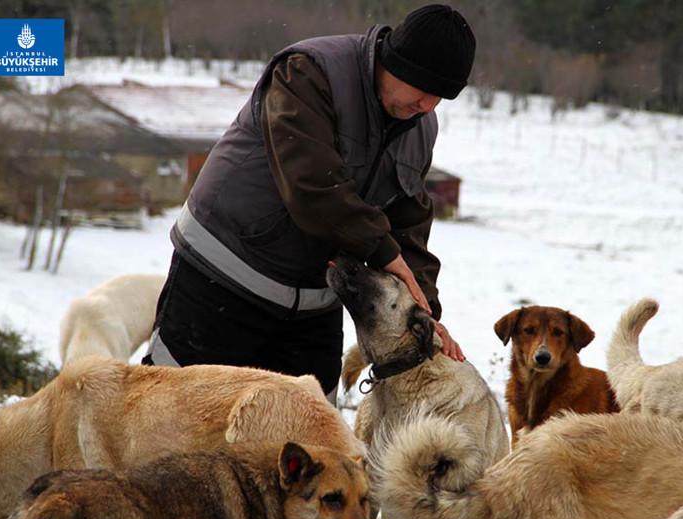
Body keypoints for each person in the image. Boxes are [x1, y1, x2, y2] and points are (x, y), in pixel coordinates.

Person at [144, 4, 476, 403]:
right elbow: (313, 185)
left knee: (310, 434)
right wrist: (382, 250)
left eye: (441, 97)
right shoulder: (309, 73)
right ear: (396, 63)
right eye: (424, 90)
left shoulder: (419, 127)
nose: (429, 106)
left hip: (312, 305)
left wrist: (423, 314)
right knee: (179, 419)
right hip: (222, 279)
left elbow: (409, 227)